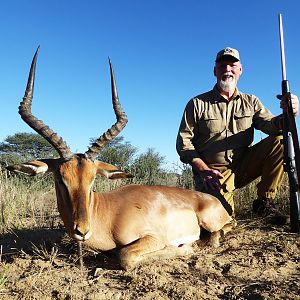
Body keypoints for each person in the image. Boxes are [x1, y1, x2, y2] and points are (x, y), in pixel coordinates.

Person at [176, 47, 299, 223]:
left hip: (244, 166)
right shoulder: (197, 104)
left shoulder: (252, 102)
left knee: (279, 142)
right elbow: (184, 142)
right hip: (213, 174)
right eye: (222, 65)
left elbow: (272, 126)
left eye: (232, 65)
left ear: (240, 70)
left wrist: (290, 113)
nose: (227, 69)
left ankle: (264, 202)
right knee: (222, 219)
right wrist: (203, 170)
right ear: (215, 71)